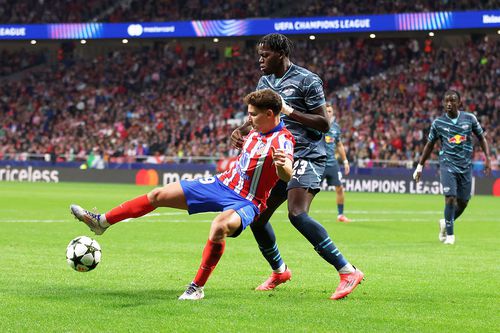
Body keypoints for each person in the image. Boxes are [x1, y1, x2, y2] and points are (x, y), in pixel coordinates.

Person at [70, 89, 295, 300]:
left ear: (269, 114)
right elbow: (247, 136)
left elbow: (287, 175)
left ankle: (196, 288)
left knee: (219, 227)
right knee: (158, 195)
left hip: (248, 200)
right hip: (221, 183)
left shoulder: (283, 139)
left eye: (253, 115)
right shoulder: (257, 129)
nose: (249, 119)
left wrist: (280, 166)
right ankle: (102, 222)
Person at [231, 33, 363, 300]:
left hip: (308, 155)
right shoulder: (265, 81)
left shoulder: (308, 80)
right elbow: (259, 115)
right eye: (259, 54)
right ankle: (280, 271)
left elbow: (324, 124)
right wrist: (242, 129)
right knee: (256, 216)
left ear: (280, 53)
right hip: (280, 156)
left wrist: (289, 111)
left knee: (297, 213)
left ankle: (348, 271)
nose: (260, 60)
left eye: (265, 55)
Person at [413, 90, 491, 245]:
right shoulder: (438, 123)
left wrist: (487, 158)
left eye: (453, 100)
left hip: (465, 166)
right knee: (450, 198)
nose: (449, 104)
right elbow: (429, 145)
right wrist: (420, 166)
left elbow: (482, 138)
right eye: (446, 101)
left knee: (463, 202)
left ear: (459, 102)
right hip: (447, 164)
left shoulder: (470, 119)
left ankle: (446, 222)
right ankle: (450, 236)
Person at [322, 103, 351, 222]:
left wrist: (345, 161)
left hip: (332, 163)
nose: (328, 113)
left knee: (339, 188)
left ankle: (340, 215)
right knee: (309, 189)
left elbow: (339, 144)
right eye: (326, 111)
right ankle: (302, 213)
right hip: (319, 163)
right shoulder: (316, 125)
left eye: (330, 111)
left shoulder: (336, 127)